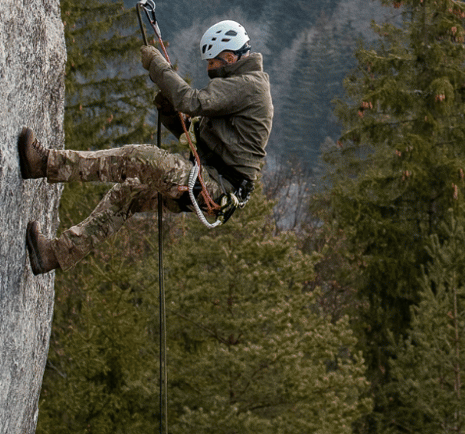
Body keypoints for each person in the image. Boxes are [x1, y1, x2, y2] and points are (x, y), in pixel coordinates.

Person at [19, 19, 274, 274]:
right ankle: (52, 255)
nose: (209, 69)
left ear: (229, 57)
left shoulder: (249, 86)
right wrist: (172, 116)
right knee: (128, 194)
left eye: (212, 63)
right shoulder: (243, 87)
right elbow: (201, 135)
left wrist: (157, 66)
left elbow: (192, 101)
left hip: (215, 187)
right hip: (211, 185)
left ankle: (45, 164)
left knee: (141, 158)